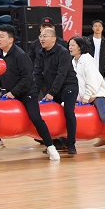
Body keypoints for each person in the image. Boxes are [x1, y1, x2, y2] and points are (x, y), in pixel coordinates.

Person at [0, 24, 60, 160]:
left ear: (11, 39)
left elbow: (28, 78)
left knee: (35, 118)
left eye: (2, 36)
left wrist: (14, 93)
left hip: (26, 92)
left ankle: (50, 146)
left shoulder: (20, 55)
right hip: (9, 91)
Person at [32, 24, 79, 156]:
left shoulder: (63, 52)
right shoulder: (40, 53)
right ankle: (55, 142)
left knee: (69, 112)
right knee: (49, 113)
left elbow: (61, 75)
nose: (42, 39)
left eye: (45, 36)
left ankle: (71, 143)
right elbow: (37, 74)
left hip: (68, 86)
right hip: (52, 87)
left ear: (53, 39)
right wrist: (33, 93)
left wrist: (52, 93)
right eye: (40, 36)